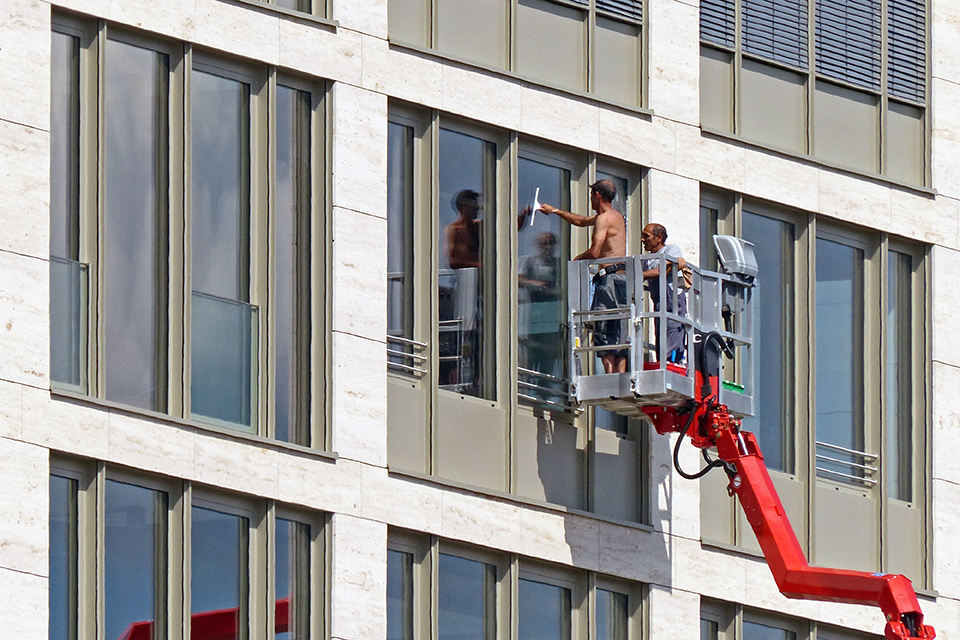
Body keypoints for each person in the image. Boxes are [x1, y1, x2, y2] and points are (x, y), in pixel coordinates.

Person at [540, 179, 628, 374]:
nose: (590, 200)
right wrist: (555, 211)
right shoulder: (616, 217)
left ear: (597, 195)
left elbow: (595, 252)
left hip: (609, 281)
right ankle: (620, 379)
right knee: (620, 330)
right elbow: (580, 221)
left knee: (603, 328)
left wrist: (577, 259)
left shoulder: (603, 219)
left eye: (591, 196)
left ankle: (610, 378)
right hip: (622, 279)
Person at [641, 223, 688, 363]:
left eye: (646, 236)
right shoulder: (646, 260)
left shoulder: (671, 250)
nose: (643, 240)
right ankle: (664, 367)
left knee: (673, 339)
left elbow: (661, 271)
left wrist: (640, 275)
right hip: (660, 304)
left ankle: (673, 368)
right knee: (661, 341)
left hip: (673, 305)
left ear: (659, 238)